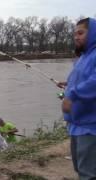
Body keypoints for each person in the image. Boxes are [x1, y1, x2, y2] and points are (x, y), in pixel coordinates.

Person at [61, 17, 96, 179]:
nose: (76, 36)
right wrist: (68, 84)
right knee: (80, 168)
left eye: (81, 33)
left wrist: (72, 95)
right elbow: (82, 78)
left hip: (90, 126)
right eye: (74, 33)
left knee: (87, 173)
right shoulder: (83, 56)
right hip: (76, 123)